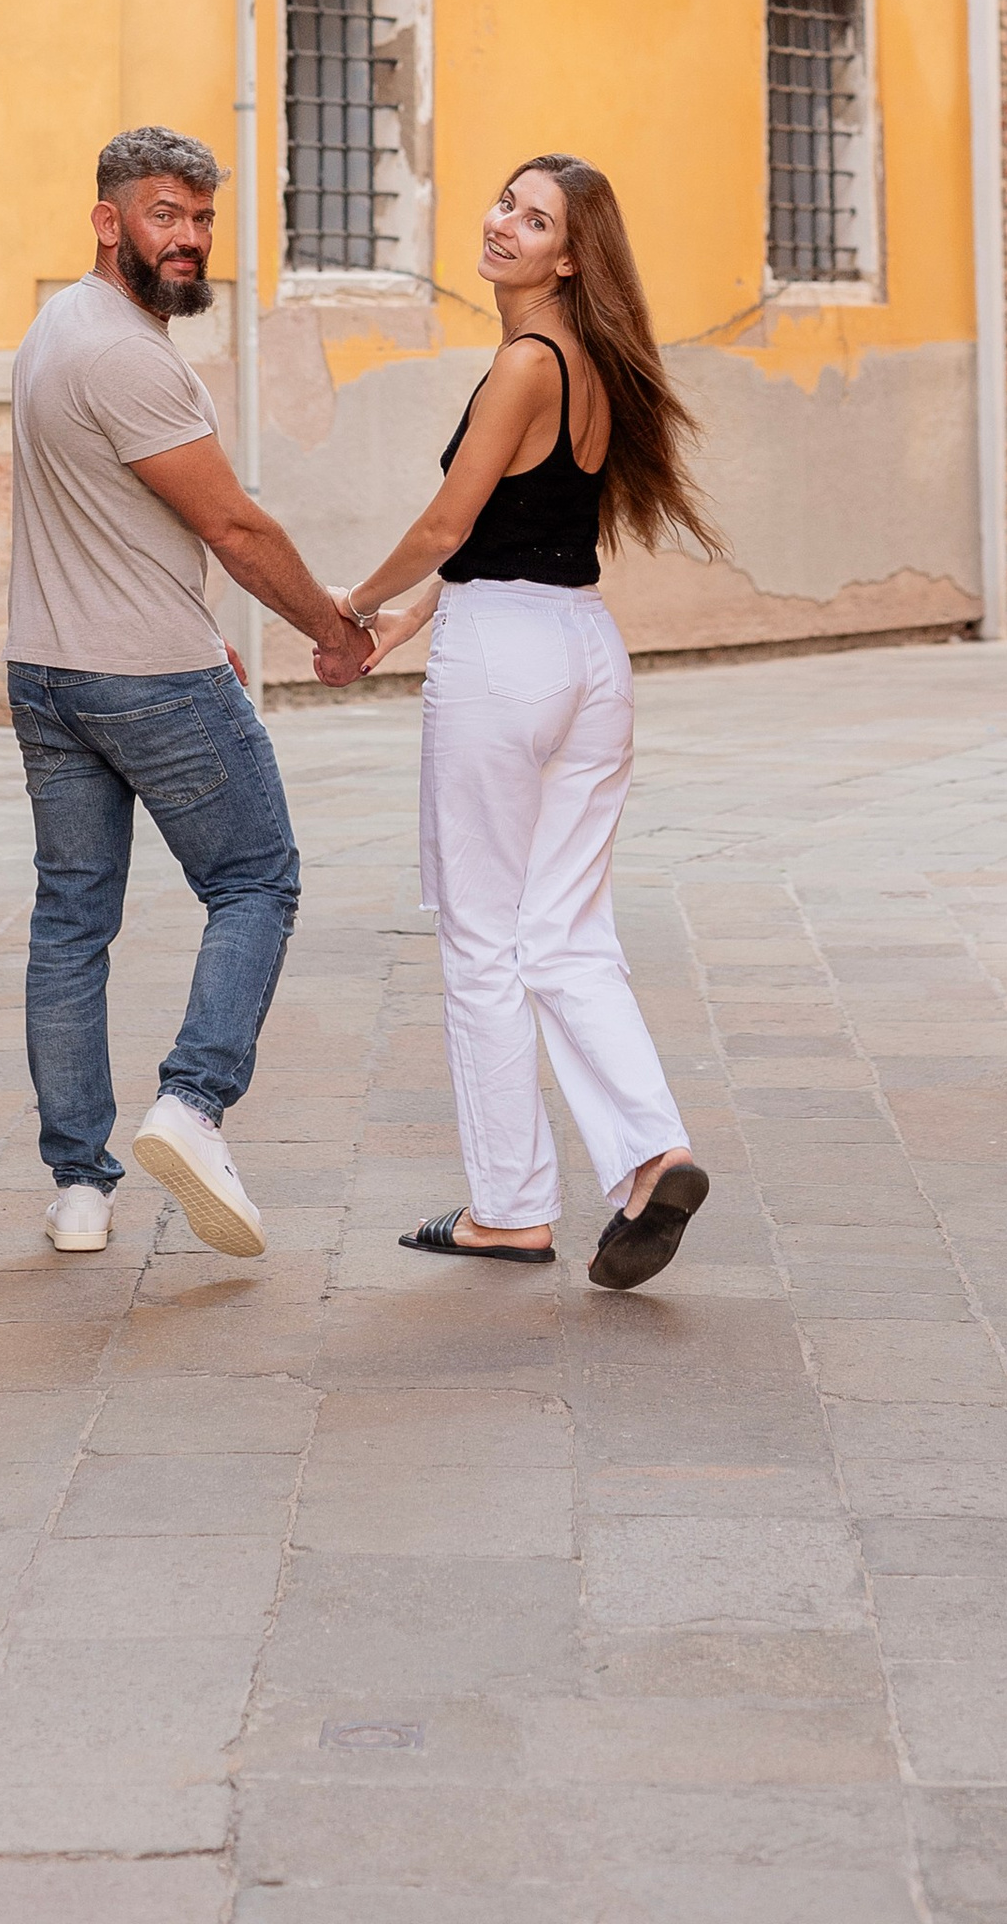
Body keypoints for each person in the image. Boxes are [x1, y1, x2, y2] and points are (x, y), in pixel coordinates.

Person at [315, 154, 717, 1291]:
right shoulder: (588, 364)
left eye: (535, 218)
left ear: (570, 254)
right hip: (584, 648)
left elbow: (449, 524)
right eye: (506, 200)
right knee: (566, 930)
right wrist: (396, 629)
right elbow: (510, 533)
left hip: (503, 661)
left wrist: (344, 604)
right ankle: (650, 1152)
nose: (504, 223)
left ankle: (509, 1208)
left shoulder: (522, 363)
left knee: (483, 937)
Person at [9, 125, 366, 1261]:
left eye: (204, 218)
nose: (190, 238)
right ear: (108, 219)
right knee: (256, 878)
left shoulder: (53, 325)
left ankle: (77, 1187)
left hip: (46, 670)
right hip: (150, 673)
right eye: (166, 213)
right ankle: (193, 1104)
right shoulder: (129, 355)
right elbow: (232, 523)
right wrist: (331, 627)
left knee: (71, 923)